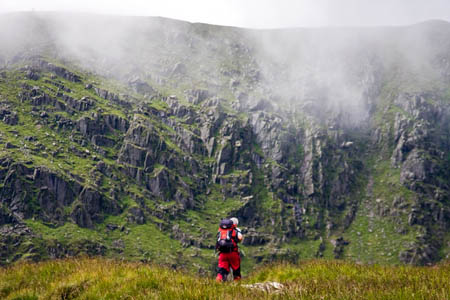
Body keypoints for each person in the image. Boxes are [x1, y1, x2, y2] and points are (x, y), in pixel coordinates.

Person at [215, 217, 243, 282]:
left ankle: (218, 283)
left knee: (221, 271)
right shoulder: (235, 230)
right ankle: (237, 285)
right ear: (235, 224)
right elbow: (240, 238)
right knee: (236, 270)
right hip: (233, 253)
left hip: (222, 254)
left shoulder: (221, 230)